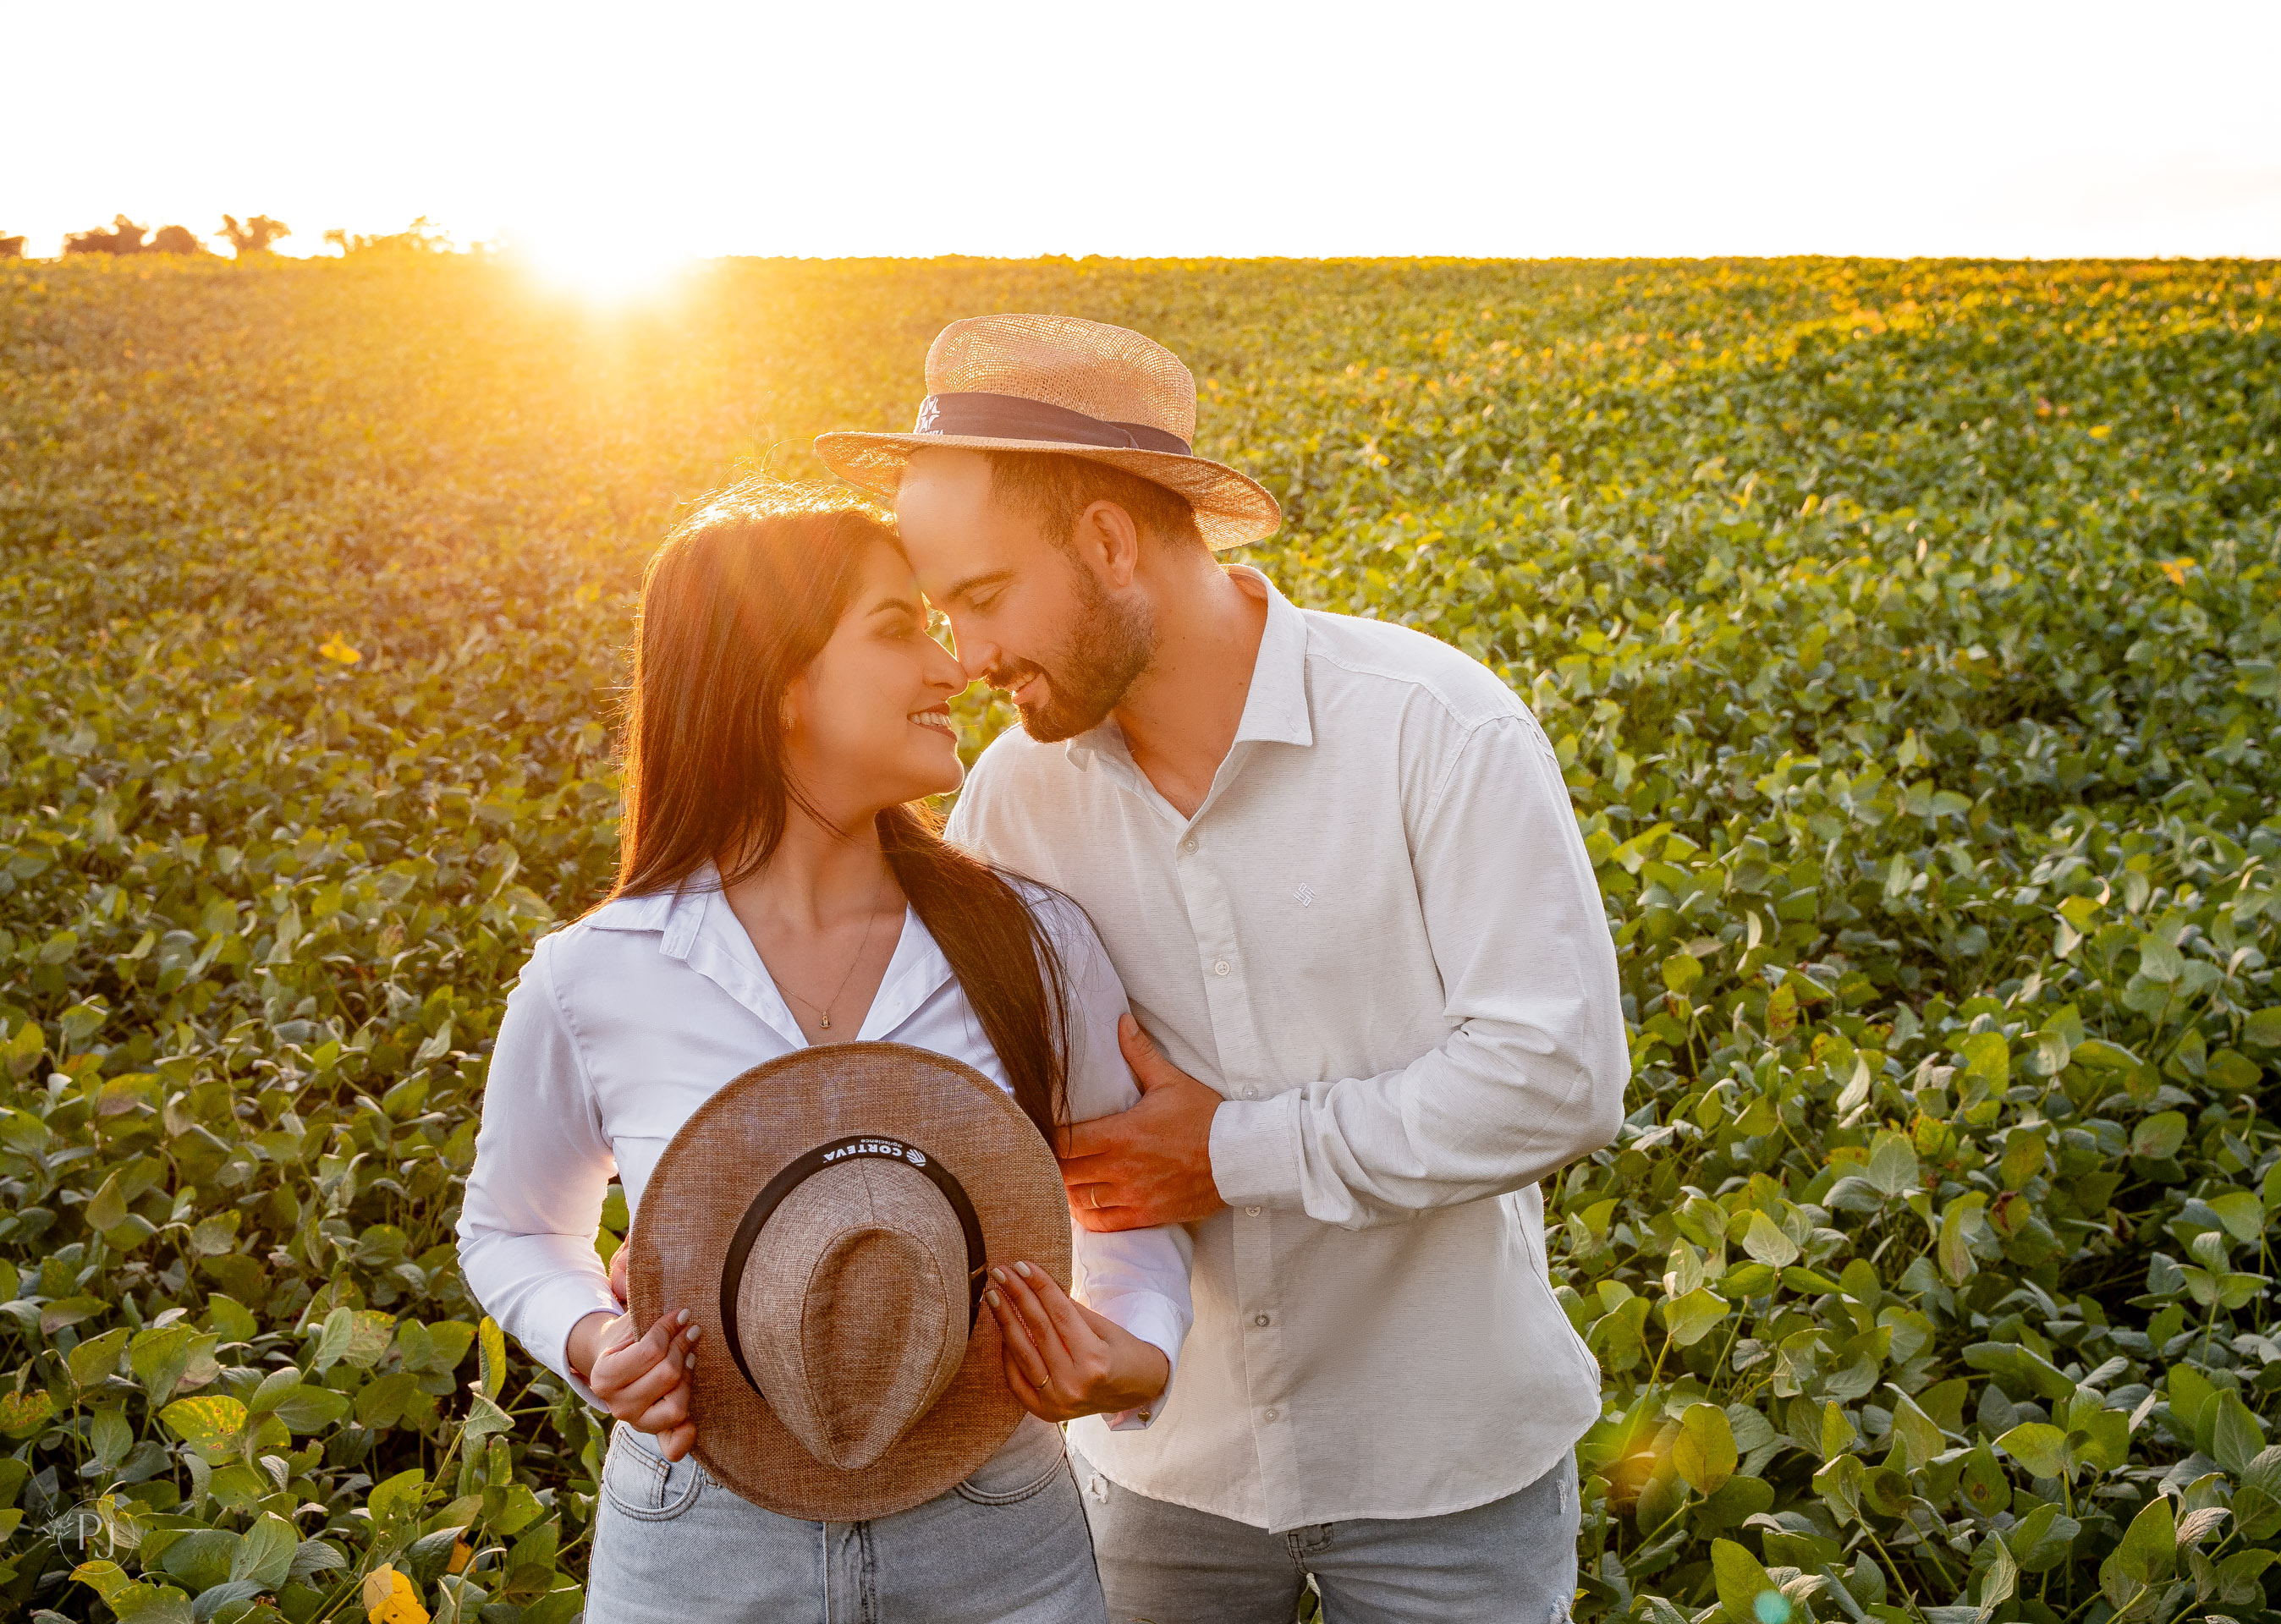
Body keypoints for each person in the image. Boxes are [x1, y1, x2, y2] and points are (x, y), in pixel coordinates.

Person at [813, 314, 1631, 1623]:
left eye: (981, 599)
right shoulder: (1014, 802)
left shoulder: (1438, 730)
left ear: (1105, 541)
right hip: (1156, 1469)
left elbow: (1558, 1080)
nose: (962, 660)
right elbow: (951, 1095)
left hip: (1449, 1463)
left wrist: (1230, 1151)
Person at [456, 485, 1194, 1622]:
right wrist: (594, 1339)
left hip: (996, 1531)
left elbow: (1127, 1208)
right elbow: (511, 1229)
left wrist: (1136, 1355)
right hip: (699, 1538)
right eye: (899, 629)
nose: (953, 669)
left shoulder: (1035, 944)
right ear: (776, 681)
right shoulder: (596, 973)